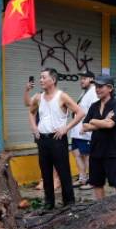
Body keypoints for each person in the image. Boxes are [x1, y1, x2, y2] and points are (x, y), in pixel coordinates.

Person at [24, 68, 85, 209]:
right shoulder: (39, 97)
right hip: (42, 140)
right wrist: (34, 127)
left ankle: (69, 203)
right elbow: (31, 111)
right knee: (45, 172)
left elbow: (80, 112)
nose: (41, 80)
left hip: (58, 139)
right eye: (40, 78)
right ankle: (49, 203)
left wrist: (66, 128)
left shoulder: (62, 96)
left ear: (53, 80)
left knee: (63, 172)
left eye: (44, 77)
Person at [81, 75, 116, 199]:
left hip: (113, 152)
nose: (97, 89)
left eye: (100, 86)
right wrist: (102, 122)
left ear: (110, 88)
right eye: (96, 86)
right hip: (95, 151)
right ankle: (101, 211)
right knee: (97, 184)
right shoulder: (94, 105)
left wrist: (93, 121)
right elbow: (84, 126)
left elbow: (110, 124)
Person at [69, 70, 98, 188]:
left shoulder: (94, 93)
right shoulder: (84, 92)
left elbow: (95, 112)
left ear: (91, 79)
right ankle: (82, 178)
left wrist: (88, 128)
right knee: (76, 154)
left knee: (87, 156)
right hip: (76, 131)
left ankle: (92, 180)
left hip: (85, 132)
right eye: (81, 78)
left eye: (84, 78)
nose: (81, 81)